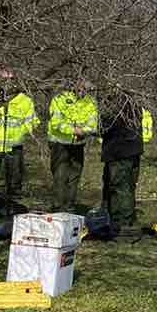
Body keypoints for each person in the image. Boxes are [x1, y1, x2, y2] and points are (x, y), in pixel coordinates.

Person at [0, 68, 40, 225]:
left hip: (14, 147)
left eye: (10, 78)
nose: (7, 81)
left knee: (14, 183)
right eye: (4, 78)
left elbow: (33, 122)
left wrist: (19, 133)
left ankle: (11, 216)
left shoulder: (24, 99)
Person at [99, 96, 153, 235]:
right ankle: (123, 220)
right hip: (133, 151)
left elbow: (103, 128)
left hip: (119, 152)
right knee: (128, 186)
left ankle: (121, 223)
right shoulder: (135, 103)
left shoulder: (114, 106)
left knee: (120, 187)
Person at [47, 80, 99, 213]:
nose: (84, 91)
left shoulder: (91, 102)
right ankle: (58, 207)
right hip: (60, 144)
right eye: (81, 88)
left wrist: (83, 131)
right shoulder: (60, 100)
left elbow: (93, 124)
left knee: (74, 176)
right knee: (60, 176)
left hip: (78, 144)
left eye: (86, 89)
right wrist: (73, 130)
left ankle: (70, 206)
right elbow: (56, 123)